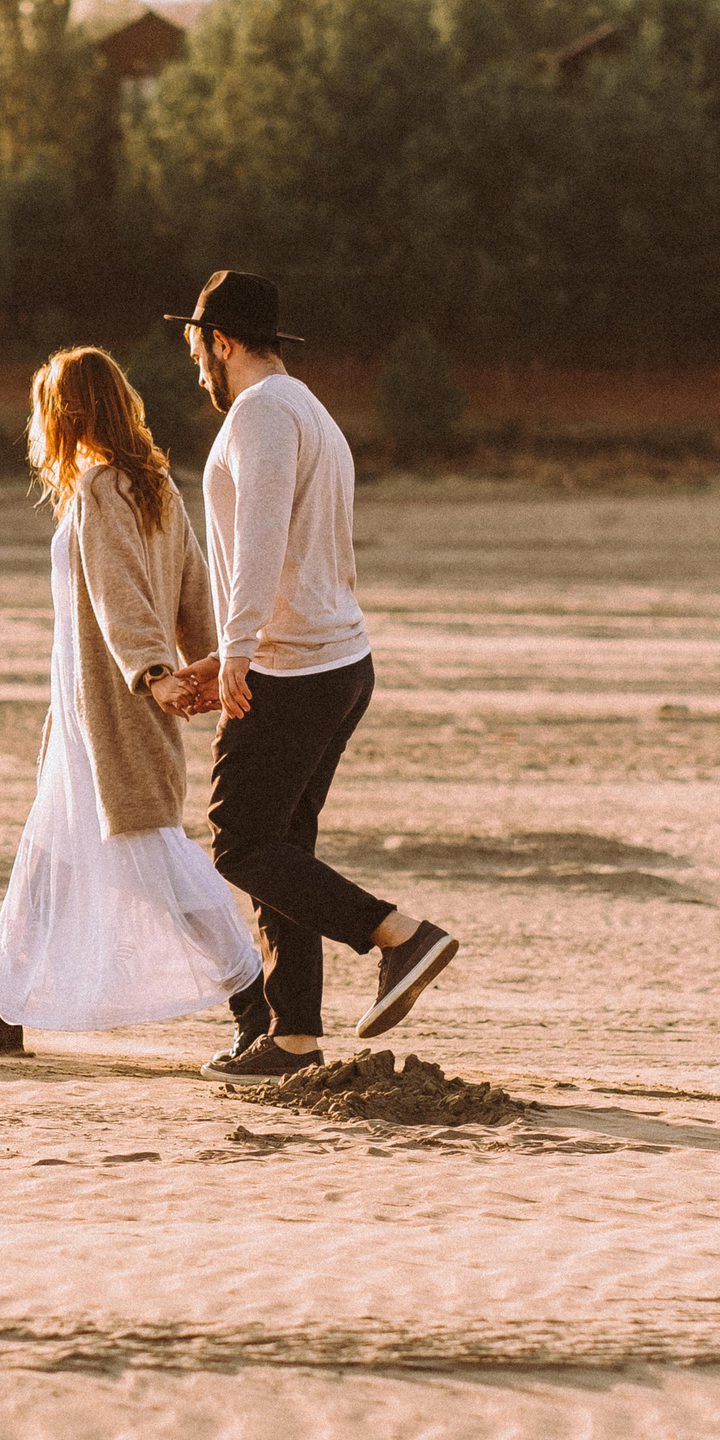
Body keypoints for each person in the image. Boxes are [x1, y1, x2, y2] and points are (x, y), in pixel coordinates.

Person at [169, 270, 460, 1085]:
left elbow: (260, 538)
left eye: (196, 346)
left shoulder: (261, 414)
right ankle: (294, 1035)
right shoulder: (308, 408)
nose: (195, 364)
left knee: (240, 839)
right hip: (332, 657)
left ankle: (398, 934)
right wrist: (228, 649)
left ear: (220, 343)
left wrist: (235, 651)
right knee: (281, 842)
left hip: (294, 665)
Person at [0, 347, 260, 1057]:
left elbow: (120, 591)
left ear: (67, 413)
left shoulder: (102, 489)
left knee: (158, 857)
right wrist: (204, 662)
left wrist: (157, 674)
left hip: (112, 711)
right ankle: (2, 1006)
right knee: (46, 856)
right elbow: (194, 588)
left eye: (45, 407)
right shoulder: (156, 486)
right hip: (81, 715)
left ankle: (254, 996)